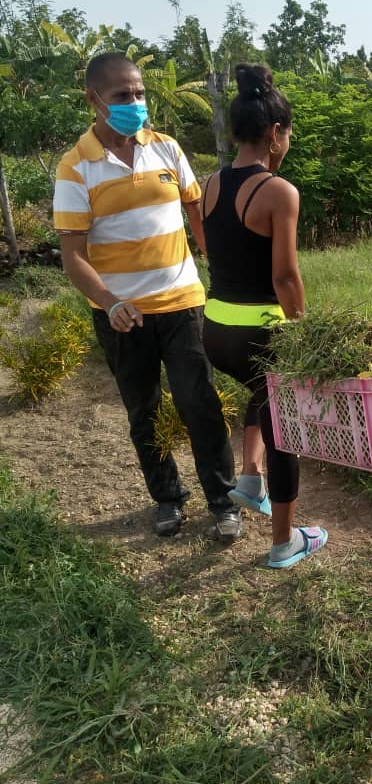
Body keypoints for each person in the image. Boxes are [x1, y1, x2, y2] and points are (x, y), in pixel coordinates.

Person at [53, 52, 243, 541]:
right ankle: (168, 498)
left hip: (182, 302)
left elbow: (197, 215)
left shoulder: (167, 150)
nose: (135, 103)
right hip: (122, 316)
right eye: (122, 96)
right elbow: (72, 255)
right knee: (145, 411)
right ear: (94, 99)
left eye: (139, 93)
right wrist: (109, 301)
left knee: (199, 402)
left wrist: (222, 268)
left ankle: (224, 500)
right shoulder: (76, 169)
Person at [200, 63, 328, 569]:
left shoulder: (209, 185)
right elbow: (285, 278)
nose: (288, 142)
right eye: (288, 133)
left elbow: (216, 251)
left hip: (215, 330)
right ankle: (284, 542)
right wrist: (304, 331)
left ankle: (249, 480)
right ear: (276, 134)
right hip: (260, 332)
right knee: (285, 428)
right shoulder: (279, 191)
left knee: (261, 388)